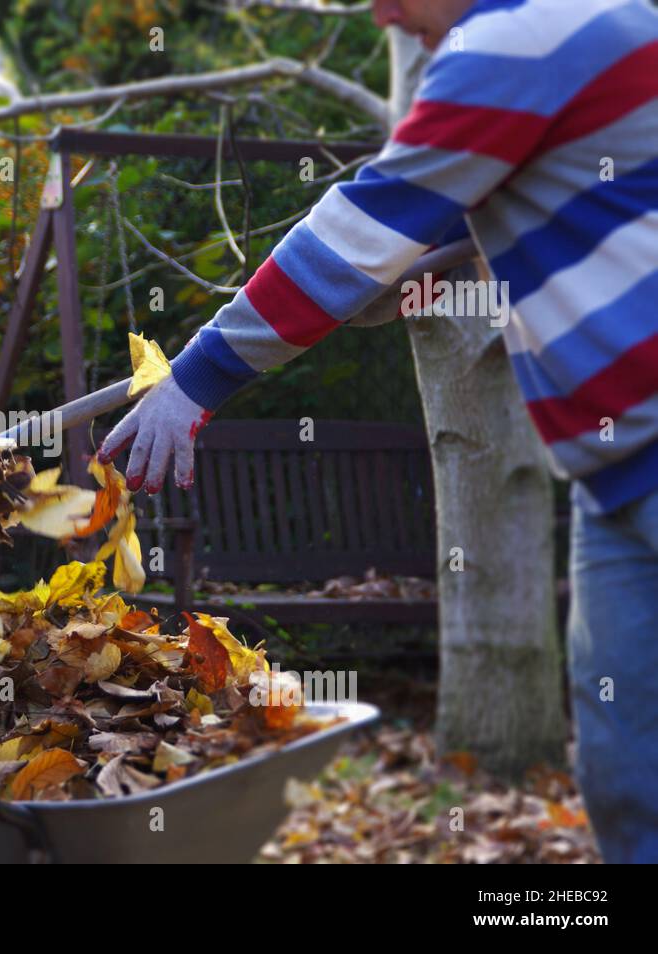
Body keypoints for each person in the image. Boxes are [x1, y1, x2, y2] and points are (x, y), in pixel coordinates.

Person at [97, 0, 658, 863]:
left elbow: (354, 234)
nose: (381, 11)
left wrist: (197, 380)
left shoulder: (515, 42)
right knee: (628, 775)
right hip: (613, 475)